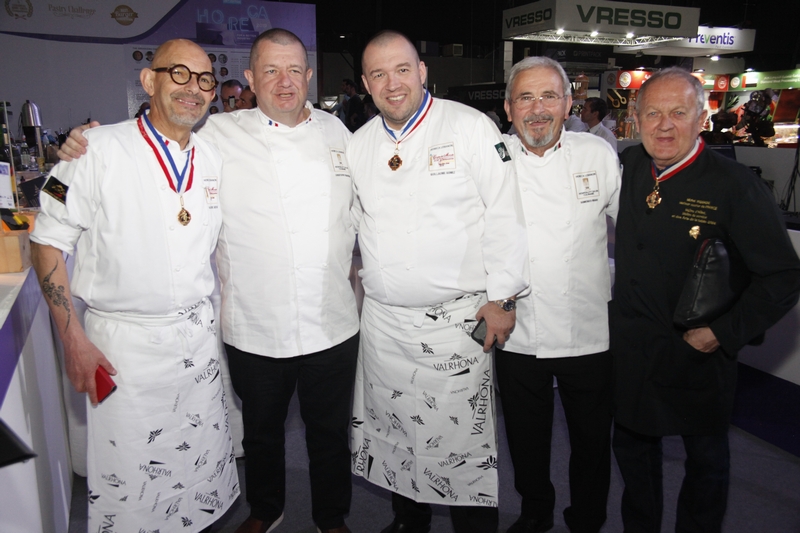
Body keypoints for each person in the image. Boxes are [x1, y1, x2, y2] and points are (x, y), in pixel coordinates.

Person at [58, 28, 359, 533]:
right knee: (261, 433)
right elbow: (154, 138)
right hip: (253, 324)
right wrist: (79, 143)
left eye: (293, 71)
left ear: (309, 77)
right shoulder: (215, 135)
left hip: (331, 321)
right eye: (269, 70)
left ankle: (332, 518)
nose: (283, 82)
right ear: (248, 79)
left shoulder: (341, 135)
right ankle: (267, 509)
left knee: (329, 432)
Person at [31, 39, 239, 533]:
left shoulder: (213, 158)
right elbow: (45, 243)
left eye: (205, 79)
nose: (194, 89)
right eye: (179, 75)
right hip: (123, 350)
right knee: (133, 487)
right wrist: (73, 342)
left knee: (196, 477)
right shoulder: (93, 150)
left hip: (196, 346)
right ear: (149, 82)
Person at [347, 30, 529, 533]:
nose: (393, 82)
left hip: (456, 324)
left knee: (461, 448)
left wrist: (505, 298)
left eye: (402, 69)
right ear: (366, 84)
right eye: (379, 74)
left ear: (422, 71)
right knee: (398, 437)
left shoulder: (470, 127)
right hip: (385, 327)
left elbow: (506, 216)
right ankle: (410, 521)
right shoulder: (359, 145)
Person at [611, 67, 800, 533]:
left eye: (678, 112)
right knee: (633, 455)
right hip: (634, 352)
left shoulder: (735, 185)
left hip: (697, 352)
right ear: (635, 119)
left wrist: (721, 334)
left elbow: (782, 275)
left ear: (702, 118)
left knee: (707, 464)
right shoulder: (629, 166)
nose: (664, 125)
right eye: (652, 113)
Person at [497, 56, 620, 533]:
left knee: (592, 438)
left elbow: (634, 233)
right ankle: (535, 512)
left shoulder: (597, 154)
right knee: (526, 437)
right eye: (525, 97)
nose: (538, 108)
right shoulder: (492, 157)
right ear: (509, 108)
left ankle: (587, 518)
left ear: (568, 103)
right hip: (518, 327)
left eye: (549, 96)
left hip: (588, 328)